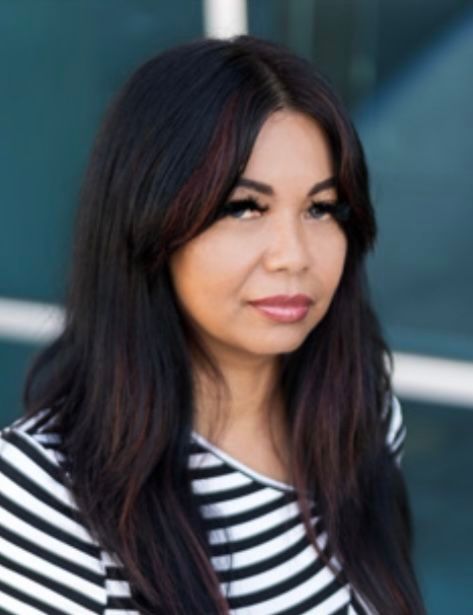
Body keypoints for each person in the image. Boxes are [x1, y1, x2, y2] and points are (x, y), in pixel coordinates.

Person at [0, 35, 425, 615]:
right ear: (149, 221)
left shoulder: (360, 409)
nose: (293, 256)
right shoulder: (45, 492)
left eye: (321, 208)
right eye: (243, 207)